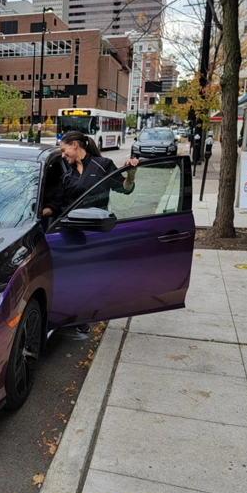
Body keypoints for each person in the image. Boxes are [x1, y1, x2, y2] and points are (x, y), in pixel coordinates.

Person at [42, 130, 139, 339]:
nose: (63, 154)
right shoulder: (65, 172)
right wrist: (38, 214)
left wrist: (131, 173)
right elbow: (57, 203)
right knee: (68, 277)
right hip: (68, 231)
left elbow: (125, 189)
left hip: (93, 231)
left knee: (87, 278)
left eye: (64, 149)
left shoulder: (102, 165)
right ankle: (65, 316)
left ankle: (82, 321)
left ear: (75, 145)